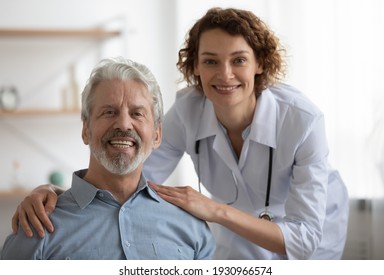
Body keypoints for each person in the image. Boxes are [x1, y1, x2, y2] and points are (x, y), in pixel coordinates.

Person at [11, 7, 348, 260]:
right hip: (238, 231)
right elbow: (129, 172)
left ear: (260, 63)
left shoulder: (302, 121)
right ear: (195, 67)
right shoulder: (188, 111)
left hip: (310, 231)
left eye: (239, 60)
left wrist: (213, 210)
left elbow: (303, 239)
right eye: (211, 61)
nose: (225, 74)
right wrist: (58, 193)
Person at [1, 57, 215, 260]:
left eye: (137, 113)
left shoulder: (190, 226)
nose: (123, 124)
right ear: (86, 130)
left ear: (157, 135)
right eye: (109, 112)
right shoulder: (37, 225)